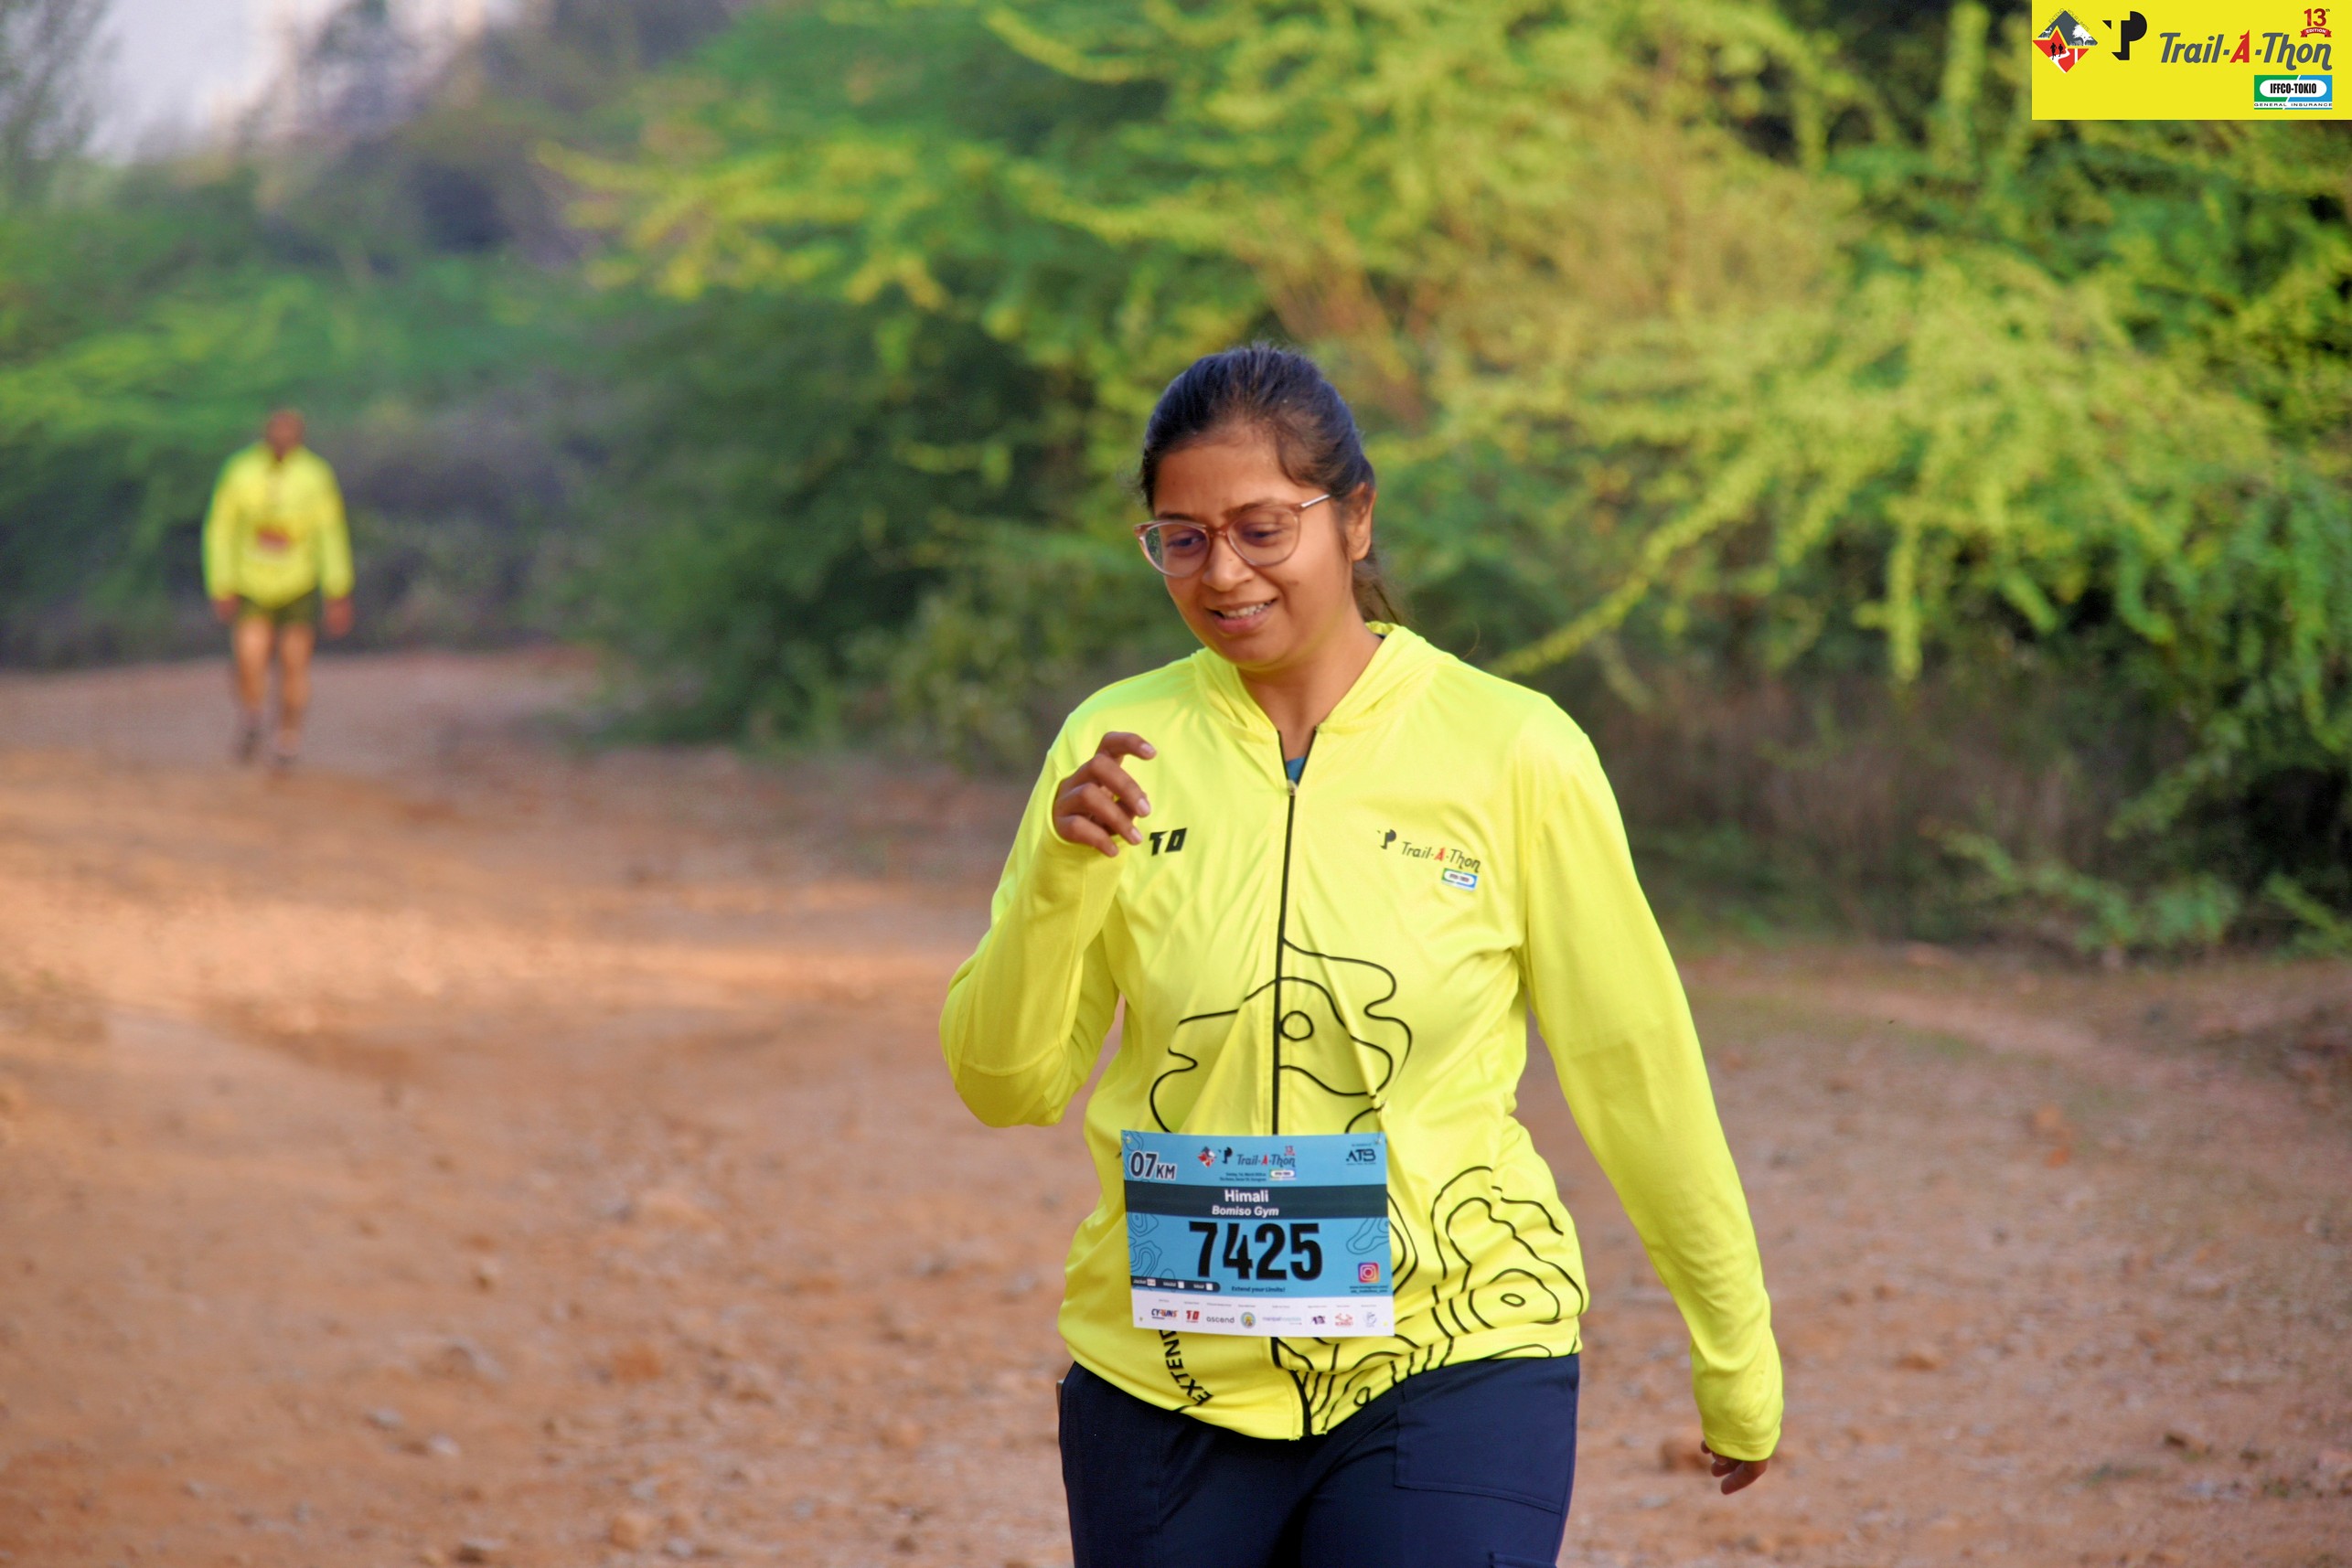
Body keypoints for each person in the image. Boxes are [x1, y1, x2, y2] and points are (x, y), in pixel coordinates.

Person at [940, 346, 1781, 1567]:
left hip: (1455, 1348)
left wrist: (1735, 1348)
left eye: (1262, 528)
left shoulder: (1513, 749)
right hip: (1166, 1371)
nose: (1222, 573)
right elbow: (1002, 1082)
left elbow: (1635, 1064)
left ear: (1357, 517)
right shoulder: (1113, 747)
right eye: (1182, 538)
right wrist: (1059, 883)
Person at [201, 410, 354, 767]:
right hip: (252, 581)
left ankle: (287, 736)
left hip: (299, 581)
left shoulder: (315, 474)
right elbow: (221, 529)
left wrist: (338, 589)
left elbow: (330, 533)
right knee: (249, 658)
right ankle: (253, 715)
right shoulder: (240, 471)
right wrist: (221, 583)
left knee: (294, 663)